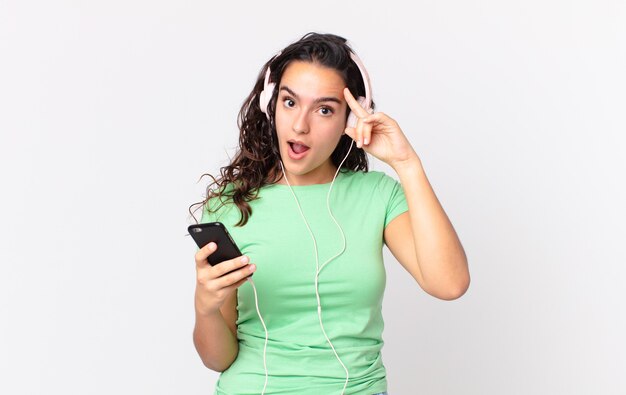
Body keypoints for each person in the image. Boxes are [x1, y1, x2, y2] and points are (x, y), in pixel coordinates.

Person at [189, 32, 470, 395]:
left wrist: (407, 164)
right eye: (290, 102)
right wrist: (206, 307)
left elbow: (449, 284)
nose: (301, 124)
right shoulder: (231, 205)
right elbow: (218, 359)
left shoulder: (378, 197)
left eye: (324, 110)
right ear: (269, 104)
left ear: (349, 119)